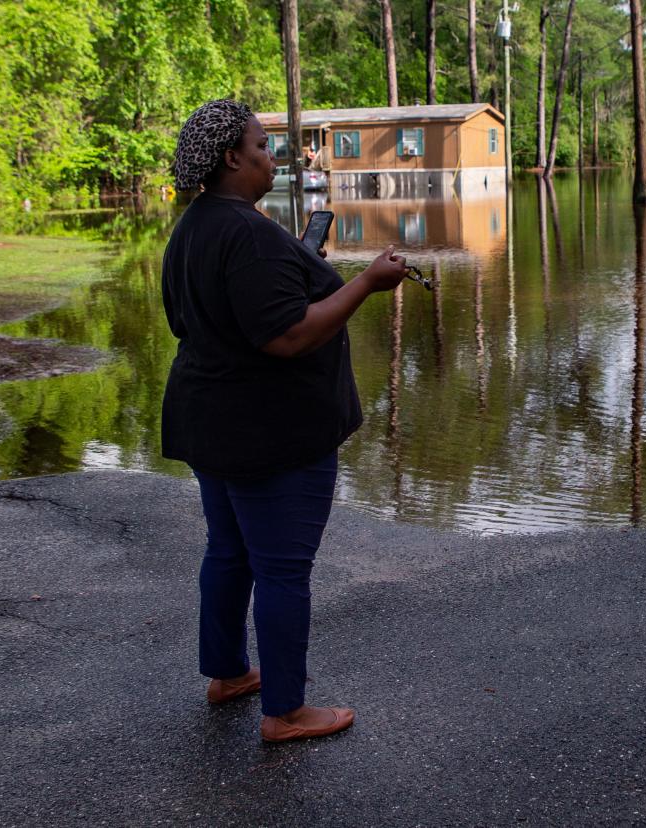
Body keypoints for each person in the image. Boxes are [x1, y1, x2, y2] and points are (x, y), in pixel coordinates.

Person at [161, 99, 407, 742]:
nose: (274, 156)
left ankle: (227, 673)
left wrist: (300, 262)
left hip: (211, 422)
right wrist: (366, 285)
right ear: (231, 158)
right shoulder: (245, 232)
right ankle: (287, 710)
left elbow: (204, 320)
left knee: (229, 550)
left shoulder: (193, 226)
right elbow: (288, 337)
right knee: (280, 569)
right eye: (263, 146)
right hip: (268, 434)